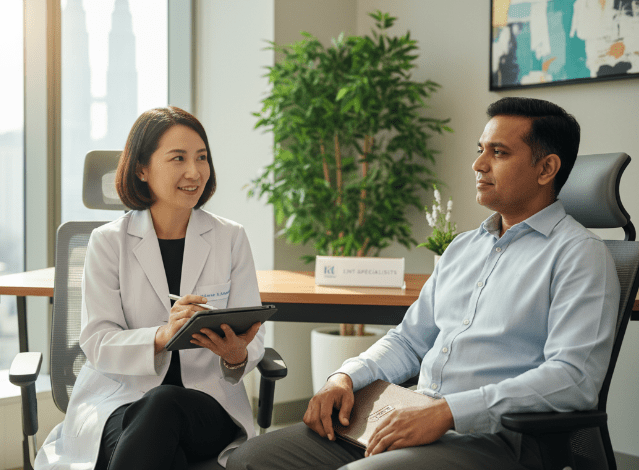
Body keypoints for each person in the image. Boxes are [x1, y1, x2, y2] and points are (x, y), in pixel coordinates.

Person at [226, 97, 621, 470]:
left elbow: (574, 378)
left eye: (498, 153)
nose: (478, 164)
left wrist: (449, 411)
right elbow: (409, 341)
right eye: (480, 149)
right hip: (411, 414)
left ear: (546, 168)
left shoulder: (581, 255)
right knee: (252, 458)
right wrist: (345, 376)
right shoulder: (465, 247)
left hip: (496, 439)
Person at [35, 107, 265, 470]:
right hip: (118, 400)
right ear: (142, 169)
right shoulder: (108, 242)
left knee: (162, 405)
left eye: (202, 157)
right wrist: (162, 335)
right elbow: (97, 340)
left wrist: (237, 354)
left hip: (206, 404)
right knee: (162, 450)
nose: (195, 172)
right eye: (178, 158)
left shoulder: (230, 237)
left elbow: (254, 339)